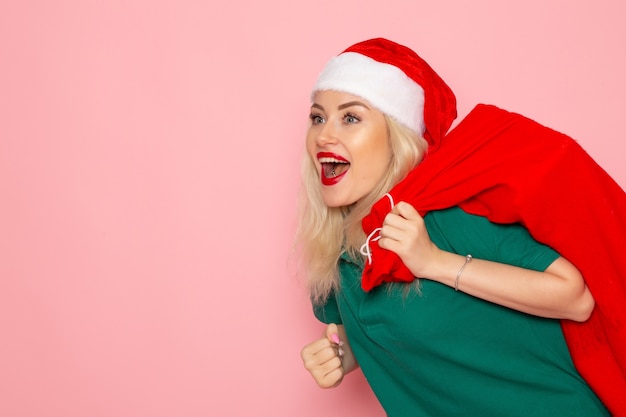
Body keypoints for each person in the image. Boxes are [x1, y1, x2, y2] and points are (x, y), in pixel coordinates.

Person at [297, 38, 625, 416]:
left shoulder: (443, 216)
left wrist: (433, 261)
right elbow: (396, 329)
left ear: (396, 136)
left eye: (350, 117)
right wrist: (343, 352)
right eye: (317, 117)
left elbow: (575, 297)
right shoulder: (335, 252)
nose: (324, 135)